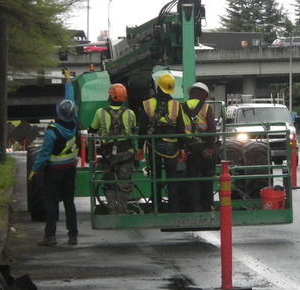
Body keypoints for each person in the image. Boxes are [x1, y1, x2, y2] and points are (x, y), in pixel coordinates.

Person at [28, 68, 80, 246]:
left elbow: (44, 154)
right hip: (70, 170)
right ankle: (73, 235)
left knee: (51, 203)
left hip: (54, 172)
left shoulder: (52, 131)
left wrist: (34, 171)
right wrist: (68, 81)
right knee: (69, 202)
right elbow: (70, 98)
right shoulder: (74, 122)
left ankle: (50, 236)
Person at [137, 73, 186, 213]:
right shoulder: (177, 105)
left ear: (158, 87)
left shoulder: (147, 104)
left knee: (156, 178)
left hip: (154, 145)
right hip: (172, 146)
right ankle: (174, 208)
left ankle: (156, 207)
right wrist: (182, 148)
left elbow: (142, 129)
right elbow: (181, 129)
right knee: (172, 178)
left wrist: (140, 148)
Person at [88, 83, 137, 214]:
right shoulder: (130, 113)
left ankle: (111, 209)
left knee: (109, 181)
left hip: (108, 154)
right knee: (125, 182)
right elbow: (133, 129)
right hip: (127, 153)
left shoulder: (100, 112)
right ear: (124, 98)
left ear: (110, 96)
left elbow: (92, 129)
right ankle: (122, 209)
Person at [181, 82, 217, 212]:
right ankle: (207, 205)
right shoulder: (206, 108)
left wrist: (182, 149)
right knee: (207, 176)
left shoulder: (182, 107)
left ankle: (194, 207)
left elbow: (180, 129)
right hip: (204, 147)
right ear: (204, 95)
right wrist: (210, 148)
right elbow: (212, 129)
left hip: (189, 147)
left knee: (193, 177)